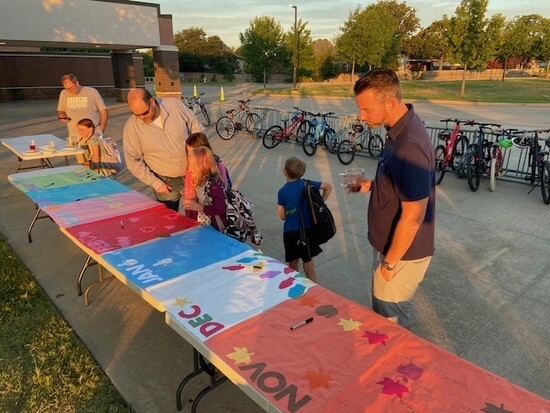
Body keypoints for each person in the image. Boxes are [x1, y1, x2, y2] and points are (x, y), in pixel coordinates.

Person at [353, 68, 435, 329]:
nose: (361, 116)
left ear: (390, 102)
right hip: (390, 248)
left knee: (390, 321)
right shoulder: (398, 128)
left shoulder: (409, 146)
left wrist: (388, 265)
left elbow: (413, 216)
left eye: (366, 110)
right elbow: (402, 185)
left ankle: (396, 367)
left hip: (400, 255)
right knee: (383, 314)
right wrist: (375, 186)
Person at [122, 88, 203, 211]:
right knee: (170, 221)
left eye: (144, 113)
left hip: (193, 174)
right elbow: (133, 161)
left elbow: (196, 129)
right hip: (166, 182)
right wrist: (156, 183)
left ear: (152, 102)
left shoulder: (174, 106)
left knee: (198, 216)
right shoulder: (132, 127)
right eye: (136, 114)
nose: (141, 118)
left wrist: (200, 161)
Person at [277, 156, 332, 283]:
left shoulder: (282, 191)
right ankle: (315, 290)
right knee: (309, 262)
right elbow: (328, 187)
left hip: (291, 232)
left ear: (285, 171)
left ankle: (294, 287)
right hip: (309, 230)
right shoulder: (308, 184)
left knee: (293, 263)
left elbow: (282, 216)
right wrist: (320, 204)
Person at [57, 74, 108, 154]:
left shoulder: (92, 92)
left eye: (71, 88)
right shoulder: (64, 94)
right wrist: (61, 115)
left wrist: (102, 129)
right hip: (75, 137)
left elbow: (103, 111)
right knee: (82, 163)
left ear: (77, 83)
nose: (69, 91)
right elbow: (61, 110)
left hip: (92, 135)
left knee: (95, 161)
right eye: (67, 89)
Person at [183, 146, 227, 231]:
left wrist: (199, 207)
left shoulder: (214, 186)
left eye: (191, 164)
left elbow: (220, 209)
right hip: (203, 223)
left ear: (202, 166)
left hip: (214, 227)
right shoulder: (199, 182)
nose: (188, 167)